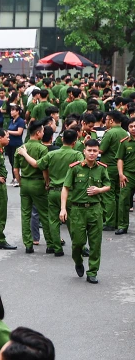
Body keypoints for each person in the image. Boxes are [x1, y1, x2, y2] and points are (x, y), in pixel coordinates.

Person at [61, 139, 110, 284]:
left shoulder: (102, 168)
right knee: (78, 243)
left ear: (98, 152)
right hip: (77, 210)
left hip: (95, 210)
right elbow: (66, 187)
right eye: (90, 150)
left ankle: (92, 272)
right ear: (84, 151)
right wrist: (63, 208)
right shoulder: (75, 168)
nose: (92, 153)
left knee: (95, 243)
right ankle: (78, 261)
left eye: (95, 151)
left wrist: (99, 190)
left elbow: (108, 184)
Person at [10, 122, 49, 254]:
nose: (43, 133)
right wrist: (46, 182)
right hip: (38, 183)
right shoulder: (42, 149)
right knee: (44, 214)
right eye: (42, 131)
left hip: (25, 183)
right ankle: (50, 243)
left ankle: (28, 244)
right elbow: (43, 168)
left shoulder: (21, 148)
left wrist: (20, 181)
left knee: (25, 214)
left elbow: (15, 169)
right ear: (38, 133)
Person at [99, 110, 129, 231]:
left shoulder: (110, 133)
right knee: (117, 194)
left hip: (109, 167)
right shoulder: (125, 133)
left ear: (111, 121)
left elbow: (101, 150)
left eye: (106, 120)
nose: (105, 122)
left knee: (108, 195)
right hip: (121, 168)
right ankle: (117, 221)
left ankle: (110, 222)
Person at [114, 119, 135, 235]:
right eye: (131, 126)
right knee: (123, 200)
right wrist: (121, 174)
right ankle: (122, 225)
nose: (133, 128)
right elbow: (120, 159)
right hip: (128, 175)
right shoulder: (124, 142)